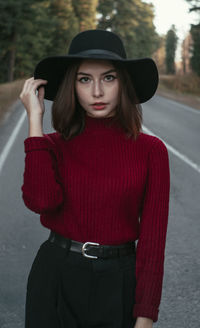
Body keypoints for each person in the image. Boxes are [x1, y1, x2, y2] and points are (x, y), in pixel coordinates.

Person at [19, 29, 170, 328]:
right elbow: (41, 201)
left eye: (109, 78)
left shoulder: (152, 151)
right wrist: (34, 122)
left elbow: (153, 243)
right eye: (84, 79)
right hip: (55, 278)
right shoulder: (49, 146)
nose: (97, 92)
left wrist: (146, 317)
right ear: (71, 86)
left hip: (119, 282)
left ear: (123, 84)